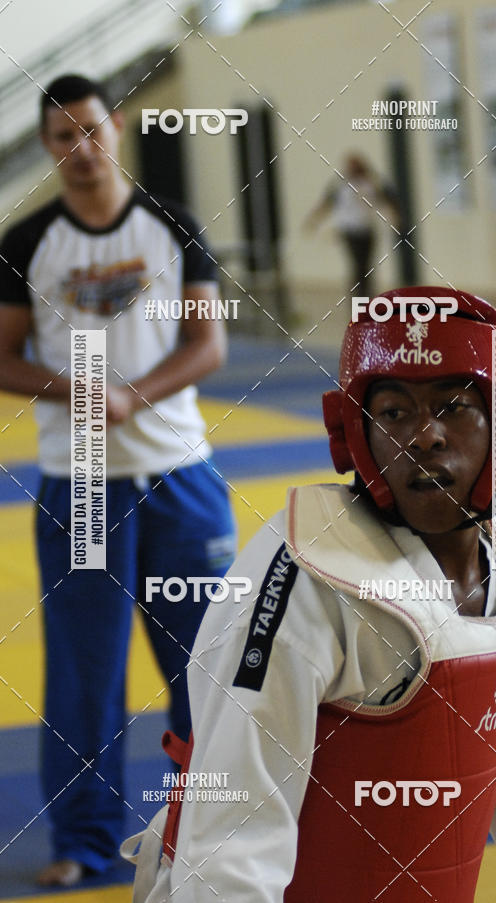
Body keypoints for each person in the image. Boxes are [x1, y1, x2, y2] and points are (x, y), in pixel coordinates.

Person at [124, 287, 496, 902]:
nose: (424, 436)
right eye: (394, 412)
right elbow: (231, 841)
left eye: (454, 406)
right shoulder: (305, 573)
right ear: (354, 433)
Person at [0, 74, 236, 887]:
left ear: (118, 127)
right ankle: (86, 839)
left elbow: (208, 348)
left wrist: (131, 395)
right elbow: (1, 354)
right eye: (62, 137)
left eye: (90, 131)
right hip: (84, 482)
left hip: (179, 472)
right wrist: (74, 389)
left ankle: (209, 832)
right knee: (85, 673)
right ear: (48, 146)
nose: (80, 149)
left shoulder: (173, 225)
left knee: (203, 667)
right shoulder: (27, 241)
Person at [304, 153, 400, 297]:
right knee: (358, 265)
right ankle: (358, 298)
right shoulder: (341, 185)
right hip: (349, 230)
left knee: (367, 266)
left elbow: (387, 199)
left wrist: (395, 217)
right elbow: (327, 203)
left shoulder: (372, 183)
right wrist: (314, 220)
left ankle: (367, 297)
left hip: (367, 229)